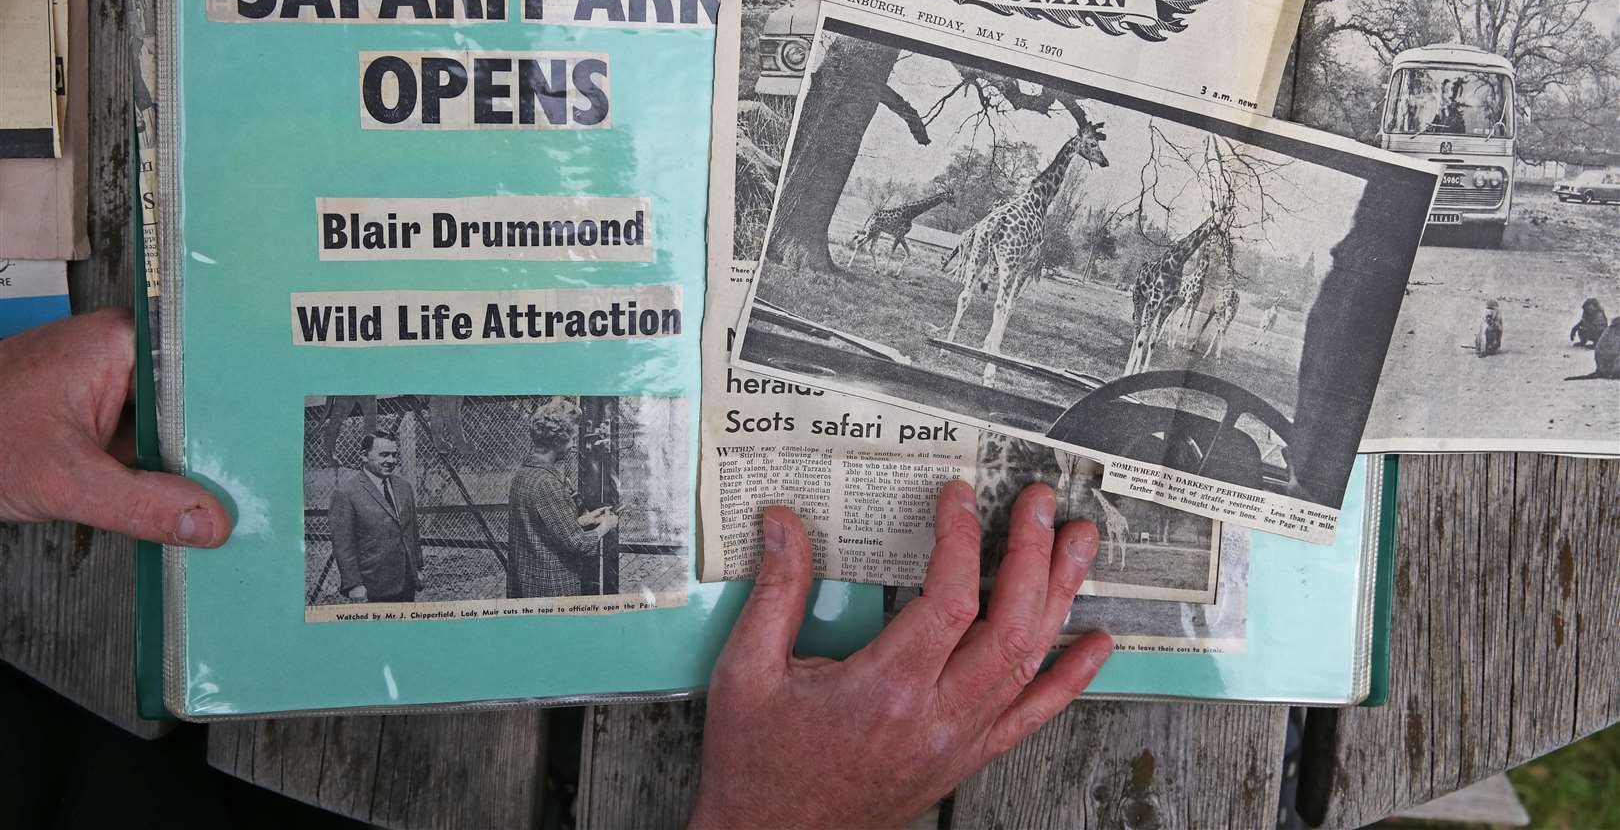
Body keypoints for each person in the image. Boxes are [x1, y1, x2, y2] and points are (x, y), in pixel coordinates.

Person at [1, 310, 1113, 827]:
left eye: (396, 443)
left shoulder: (495, 481)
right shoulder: (481, 488)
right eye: (382, 444)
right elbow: (541, 546)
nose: (393, 451)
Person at [506, 398, 619, 599]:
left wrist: (584, 520)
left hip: (526, 584)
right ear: (557, 441)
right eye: (573, 438)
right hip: (551, 588)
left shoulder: (522, 475)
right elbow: (578, 543)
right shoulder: (546, 482)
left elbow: (542, 525)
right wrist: (606, 525)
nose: (574, 445)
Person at [328, 431, 424, 603]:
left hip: (406, 582)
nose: (391, 461)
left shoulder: (404, 487)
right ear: (364, 456)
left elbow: (412, 531)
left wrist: (418, 567)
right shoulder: (346, 493)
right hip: (372, 587)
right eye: (384, 455)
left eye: (394, 455)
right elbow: (343, 545)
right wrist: (354, 584)